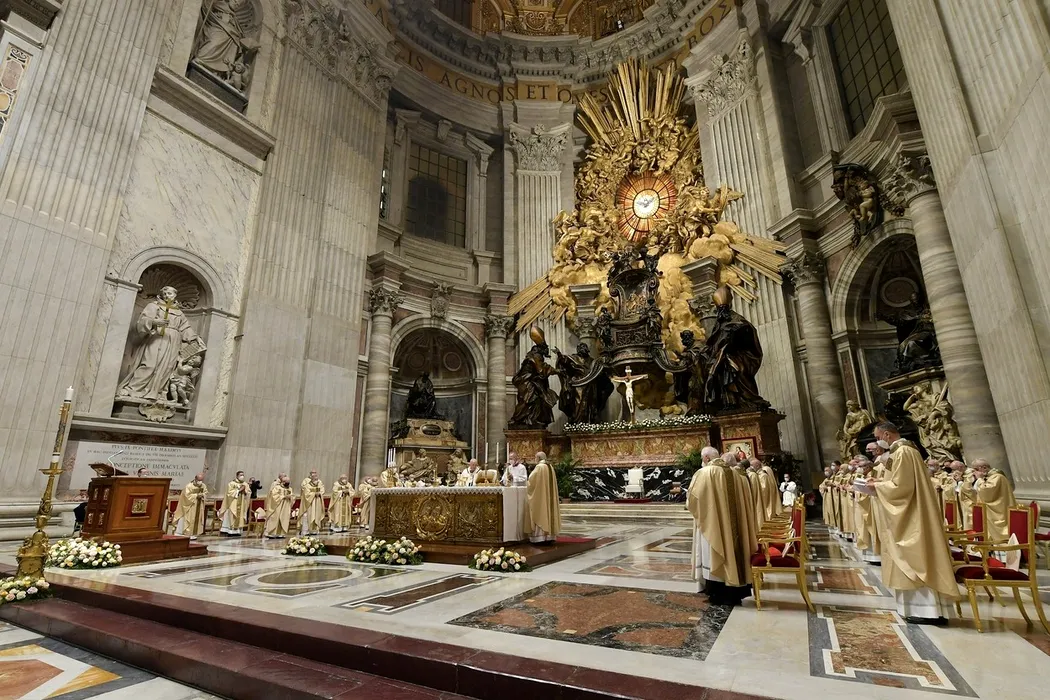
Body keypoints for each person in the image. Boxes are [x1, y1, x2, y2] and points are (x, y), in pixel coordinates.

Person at [866, 421, 958, 624]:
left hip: (911, 514)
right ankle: (919, 609)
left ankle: (927, 611)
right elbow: (898, 482)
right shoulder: (901, 452)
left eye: (878, 437)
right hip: (910, 511)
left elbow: (902, 488)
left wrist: (878, 487)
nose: (877, 441)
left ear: (887, 434)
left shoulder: (903, 452)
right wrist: (879, 483)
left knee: (914, 555)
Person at [687, 447, 754, 606]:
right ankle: (735, 591)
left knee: (714, 554)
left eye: (702, 458)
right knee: (733, 552)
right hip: (735, 526)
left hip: (714, 524)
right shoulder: (736, 474)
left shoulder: (704, 473)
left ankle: (717, 593)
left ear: (706, 458)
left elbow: (692, 499)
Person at [973, 459, 1016, 543]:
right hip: (993, 511)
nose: (974, 472)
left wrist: (979, 479)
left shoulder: (997, 477)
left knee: (1002, 531)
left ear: (984, 468)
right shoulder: (990, 477)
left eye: (976, 469)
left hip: (1000, 511)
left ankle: (1003, 545)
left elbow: (987, 492)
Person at [524, 452, 560, 544]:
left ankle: (540, 537)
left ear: (538, 458)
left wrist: (527, 483)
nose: (535, 459)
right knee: (549, 512)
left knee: (541, 512)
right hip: (548, 496)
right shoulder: (550, 466)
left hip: (541, 496)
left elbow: (531, 481)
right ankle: (550, 537)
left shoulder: (539, 467)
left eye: (535, 457)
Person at [173, 473, 208, 539]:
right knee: (189, 519)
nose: (200, 482)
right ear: (195, 479)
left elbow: (205, 492)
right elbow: (186, 496)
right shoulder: (189, 486)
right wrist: (196, 495)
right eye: (199, 480)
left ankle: (193, 534)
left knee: (196, 520)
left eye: (201, 480)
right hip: (190, 506)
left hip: (198, 505)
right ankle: (185, 532)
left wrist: (203, 495)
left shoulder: (203, 486)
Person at [218, 471, 250, 537]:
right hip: (233, 504)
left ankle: (238, 531)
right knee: (232, 516)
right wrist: (239, 490)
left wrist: (245, 491)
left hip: (241, 504)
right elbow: (229, 493)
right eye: (241, 475)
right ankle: (230, 531)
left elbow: (249, 493)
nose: (242, 476)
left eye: (243, 475)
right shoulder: (231, 484)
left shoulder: (245, 484)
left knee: (240, 517)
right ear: (237, 476)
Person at [263, 474, 293, 539]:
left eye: (289, 482)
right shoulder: (277, 488)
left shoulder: (290, 489)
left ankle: (281, 534)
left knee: (284, 518)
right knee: (275, 518)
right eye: (287, 482)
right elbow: (273, 496)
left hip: (285, 507)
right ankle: (272, 533)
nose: (288, 484)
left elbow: (292, 496)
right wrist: (284, 497)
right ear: (283, 482)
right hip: (277, 506)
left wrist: (291, 497)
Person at [299, 471, 326, 535]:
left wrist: (319, 494)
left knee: (317, 515)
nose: (317, 481)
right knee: (309, 516)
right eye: (315, 480)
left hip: (317, 503)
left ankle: (315, 530)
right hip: (309, 505)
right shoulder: (307, 486)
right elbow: (306, 494)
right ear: (312, 479)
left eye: (317, 479)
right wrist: (314, 494)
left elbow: (322, 490)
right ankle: (306, 531)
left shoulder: (319, 484)